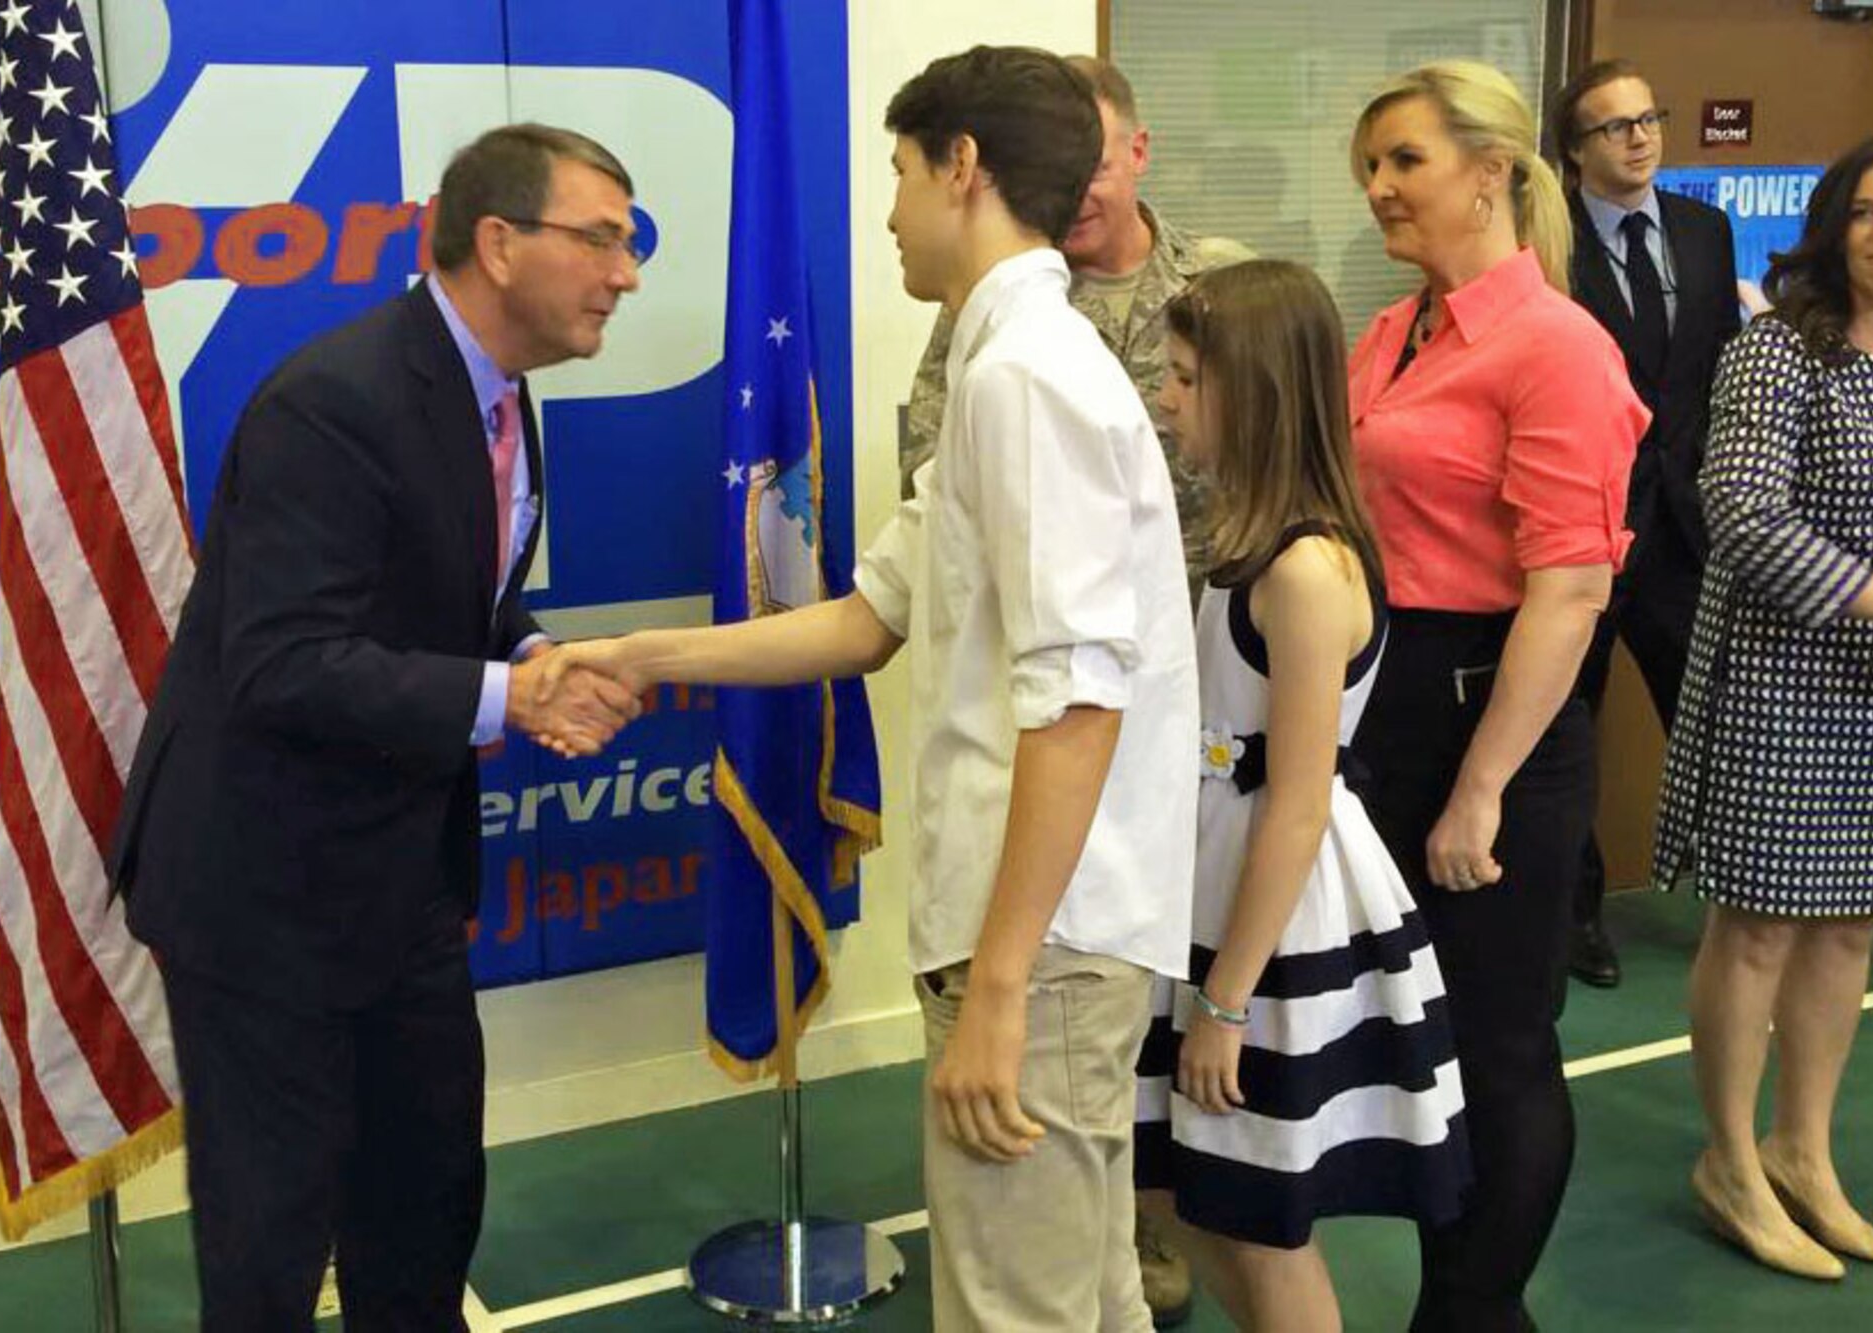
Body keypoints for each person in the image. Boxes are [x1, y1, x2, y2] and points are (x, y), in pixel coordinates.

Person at [545, 47, 1198, 1332]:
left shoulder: (1027, 378)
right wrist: (643, 657)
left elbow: (1079, 702)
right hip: (1045, 933)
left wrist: (1000, 992)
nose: (888, 209)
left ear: (964, 169)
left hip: (1045, 947)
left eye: (897, 174)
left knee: (1020, 1306)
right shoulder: (998, 365)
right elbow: (866, 617)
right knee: (1085, 1298)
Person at [107, 124, 644, 1330]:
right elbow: (286, 664)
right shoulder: (335, 401)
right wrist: (518, 698)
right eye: (601, 237)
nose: (627, 272)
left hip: (398, 877)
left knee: (424, 1196)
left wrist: (531, 649)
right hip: (265, 894)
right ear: (498, 244)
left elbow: (463, 586)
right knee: (272, 1242)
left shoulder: (496, 394)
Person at [1344, 62, 1648, 1331]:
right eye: (1367, 167)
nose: (1376, 189)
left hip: (1493, 720)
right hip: (1389, 704)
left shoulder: (1556, 346)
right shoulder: (1390, 329)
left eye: (1401, 161)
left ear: (1489, 172)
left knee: (1500, 1044)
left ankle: (1472, 1310)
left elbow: (1566, 595)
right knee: (1416, 1040)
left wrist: (1479, 791)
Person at [1652, 130, 1873, 1282]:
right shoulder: (1779, 353)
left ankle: (1801, 1148)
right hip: (1779, 686)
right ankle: (1729, 1160)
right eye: (1864, 211)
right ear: (1832, 230)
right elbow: (1740, 514)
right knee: (1759, 929)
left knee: (1849, 927)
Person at [1132, 259, 1473, 1333]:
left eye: (1185, 377)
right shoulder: (1242, 542)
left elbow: (1295, 797)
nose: (1165, 395)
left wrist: (1225, 1001)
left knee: (1256, 1214)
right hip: (1215, 882)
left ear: (1254, 391)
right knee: (1192, 1191)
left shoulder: (1303, 571)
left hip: (1271, 915)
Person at [902, 57, 1249, 629]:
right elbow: (932, 466)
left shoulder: (1227, 282)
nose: (1072, 194)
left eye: (1092, 170)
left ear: (1138, 153)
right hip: (1057, 629)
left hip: (1213, 633)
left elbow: (1285, 463)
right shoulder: (997, 302)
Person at [1553, 59, 1742, 989]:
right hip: (1583, 528)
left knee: (1704, 718)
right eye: (1614, 126)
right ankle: (1574, 910)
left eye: (1649, 117)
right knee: (1568, 727)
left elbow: (1711, 374)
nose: (1639, 137)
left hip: (1685, 530)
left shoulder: (1707, 233)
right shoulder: (1548, 244)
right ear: (1576, 150)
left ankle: (1738, 900)